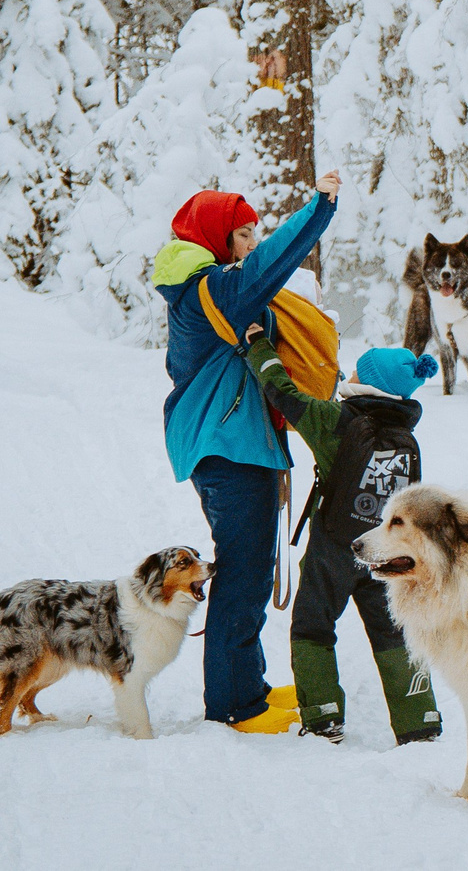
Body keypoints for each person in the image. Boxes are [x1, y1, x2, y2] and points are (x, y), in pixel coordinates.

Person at [152, 175, 340, 733]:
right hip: (228, 449)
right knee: (244, 573)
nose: (253, 243)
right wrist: (320, 208)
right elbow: (270, 266)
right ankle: (234, 705)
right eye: (243, 233)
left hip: (235, 446)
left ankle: (248, 687)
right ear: (215, 238)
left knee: (250, 570)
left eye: (256, 231)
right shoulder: (211, 289)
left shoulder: (206, 290)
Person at [244, 328, 445, 746]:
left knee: (312, 626)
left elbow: (281, 392)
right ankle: (419, 720)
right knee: (393, 631)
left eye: (357, 369)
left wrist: (259, 346)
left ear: (366, 382)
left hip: (333, 548)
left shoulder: (334, 421)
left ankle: (322, 716)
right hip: (386, 554)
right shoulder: (402, 434)